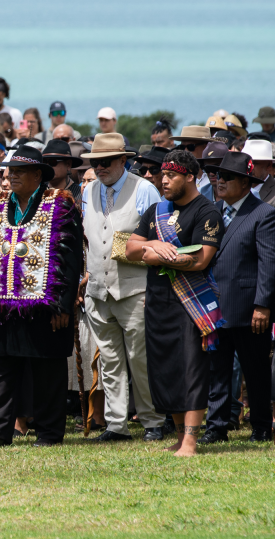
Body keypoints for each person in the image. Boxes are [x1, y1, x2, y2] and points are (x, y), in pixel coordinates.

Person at [0, 145, 83, 448]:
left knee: (47, 371)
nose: (12, 176)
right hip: (0, 303)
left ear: (37, 175)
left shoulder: (60, 204)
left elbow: (71, 261)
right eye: (10, 171)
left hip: (44, 305)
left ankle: (48, 433)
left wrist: (64, 305)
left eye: (19, 172)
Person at [126, 150, 225, 457]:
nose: (163, 181)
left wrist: (155, 256)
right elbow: (130, 248)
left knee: (191, 370)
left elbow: (201, 259)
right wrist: (154, 244)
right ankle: (180, 436)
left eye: (171, 176)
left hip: (190, 303)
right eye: (163, 175)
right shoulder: (156, 209)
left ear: (190, 177)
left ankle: (192, 441)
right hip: (158, 302)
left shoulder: (207, 212)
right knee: (165, 368)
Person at [78, 133, 166, 442]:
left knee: (141, 359)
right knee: (110, 363)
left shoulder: (145, 190)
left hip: (135, 291)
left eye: (105, 162)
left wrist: (121, 248)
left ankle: (153, 421)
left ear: (122, 161)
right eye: (94, 162)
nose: (99, 167)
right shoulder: (87, 191)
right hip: (99, 293)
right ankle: (116, 425)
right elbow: (88, 239)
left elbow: (162, 241)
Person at [203, 151, 275, 444]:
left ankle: (262, 426)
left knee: (255, 371)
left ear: (245, 183)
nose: (219, 181)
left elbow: (269, 263)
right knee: (217, 371)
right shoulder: (212, 211)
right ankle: (216, 427)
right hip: (214, 309)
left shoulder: (264, 214)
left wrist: (263, 305)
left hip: (249, 309)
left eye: (227, 177)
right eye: (217, 176)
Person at [241, 139, 275, 207]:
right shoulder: (237, 188)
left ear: (269, 165)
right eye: (246, 163)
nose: (250, 167)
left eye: (254, 163)